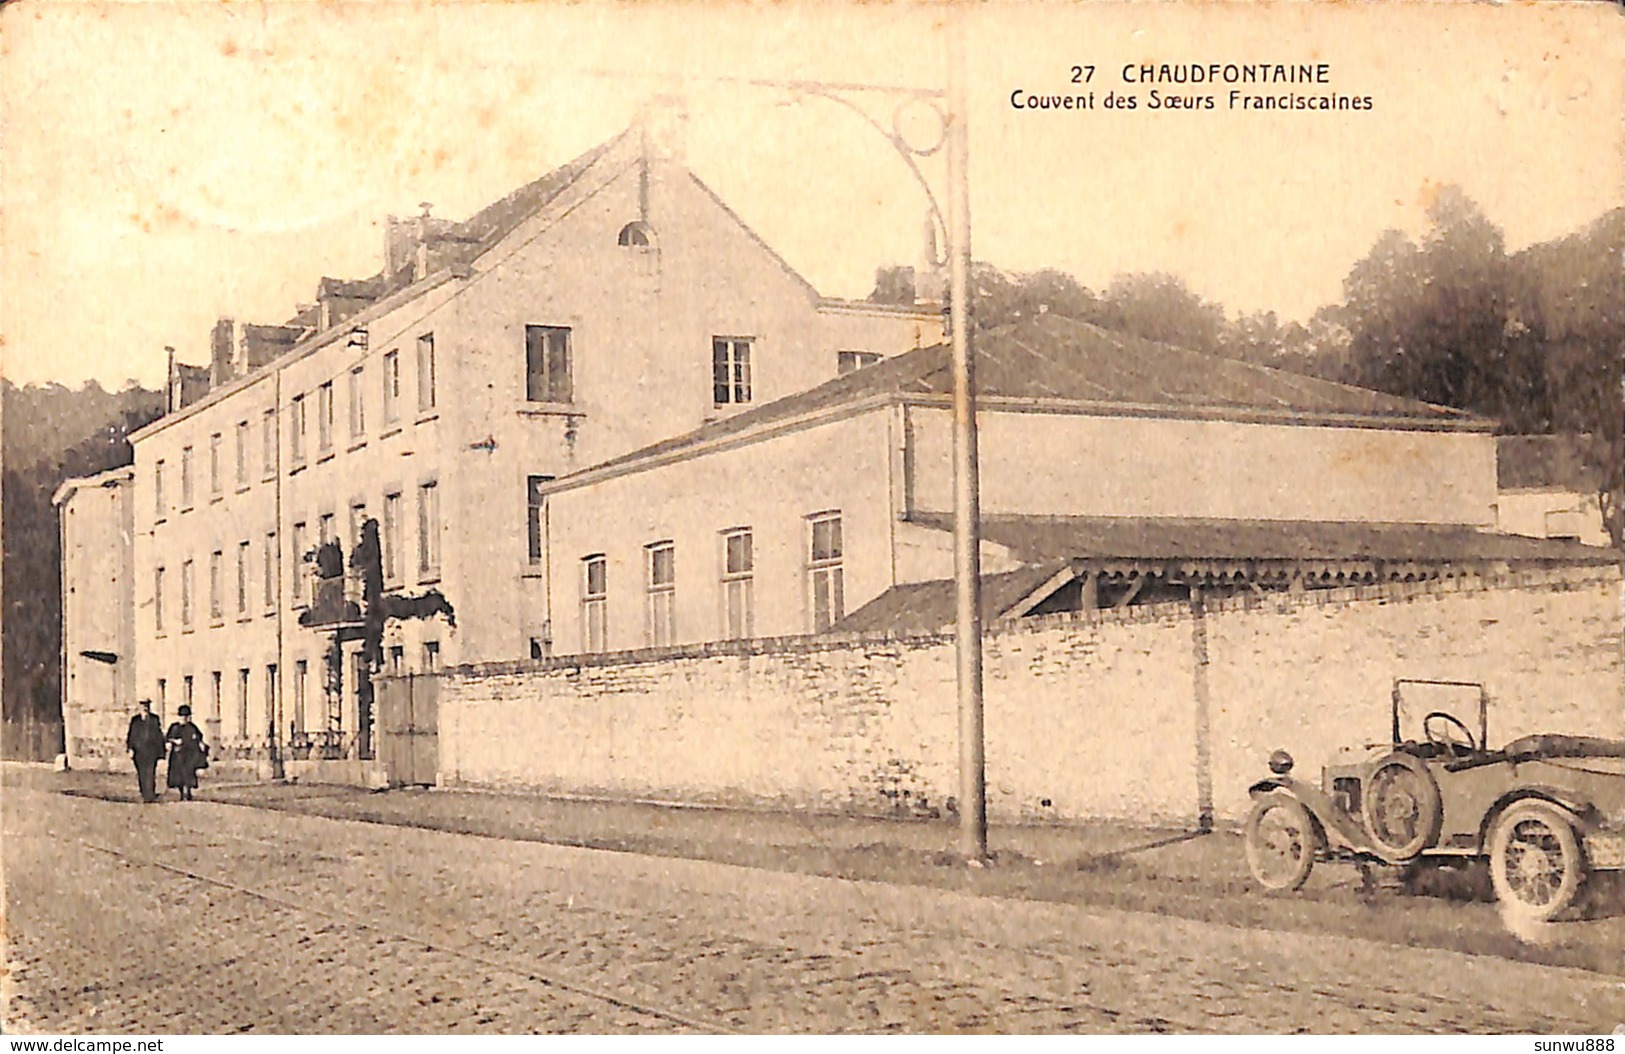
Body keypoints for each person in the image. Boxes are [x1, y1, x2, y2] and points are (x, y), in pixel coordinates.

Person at [126, 699, 166, 803]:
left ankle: (150, 794)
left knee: (151, 772)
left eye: (147, 706)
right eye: (143, 706)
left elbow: (158, 735)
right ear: (139, 707)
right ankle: (144, 792)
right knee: (141, 772)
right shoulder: (135, 720)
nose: (145, 708)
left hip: (151, 751)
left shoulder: (154, 719)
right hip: (139, 751)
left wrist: (161, 751)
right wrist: (130, 748)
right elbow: (131, 735)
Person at [165, 705, 208, 801]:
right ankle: (181, 792)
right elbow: (168, 738)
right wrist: (174, 741)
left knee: (188, 773)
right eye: (182, 716)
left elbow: (199, 736)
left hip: (189, 754)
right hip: (178, 754)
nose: (184, 718)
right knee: (178, 774)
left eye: (186, 716)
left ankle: (188, 791)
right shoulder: (174, 727)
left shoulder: (192, 727)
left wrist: (201, 744)